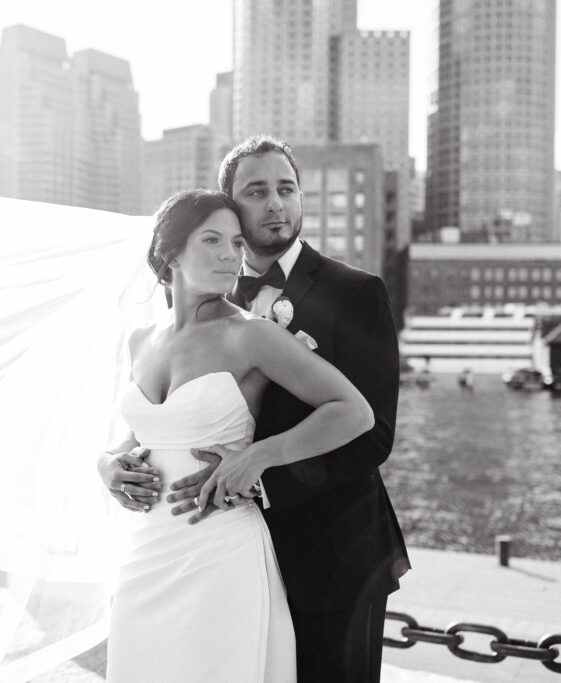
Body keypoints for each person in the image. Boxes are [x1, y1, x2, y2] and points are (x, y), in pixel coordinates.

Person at [97, 189, 375, 682]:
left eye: (236, 242)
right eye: (212, 240)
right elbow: (138, 434)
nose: (231, 254)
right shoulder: (141, 340)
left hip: (220, 552)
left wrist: (259, 457)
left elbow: (354, 411)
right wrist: (109, 465)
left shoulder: (251, 334)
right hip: (146, 553)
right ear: (170, 252)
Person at [166, 136, 411, 682]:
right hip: (229, 556)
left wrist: (255, 474)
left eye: (287, 189)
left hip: (335, 556)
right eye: (257, 192)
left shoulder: (357, 292)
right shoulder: (206, 301)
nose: (276, 204)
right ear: (229, 206)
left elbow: (375, 435)